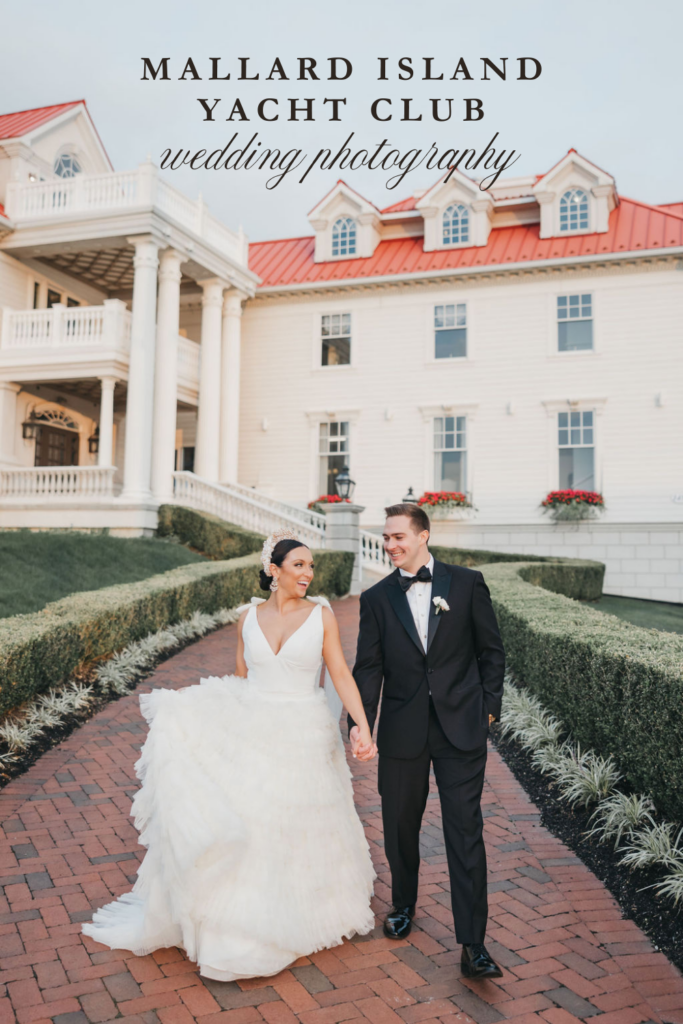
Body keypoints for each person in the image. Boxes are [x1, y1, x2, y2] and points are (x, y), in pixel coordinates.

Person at [83, 528, 377, 982]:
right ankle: (242, 918)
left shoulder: (322, 616)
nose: (308, 573)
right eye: (299, 565)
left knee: (298, 822)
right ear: (273, 571)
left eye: (311, 566)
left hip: (305, 732)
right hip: (255, 731)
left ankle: (299, 911)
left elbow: (339, 670)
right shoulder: (248, 618)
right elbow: (239, 679)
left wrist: (360, 724)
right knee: (254, 823)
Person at [349, 503, 505, 980]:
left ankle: (473, 943)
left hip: (461, 729)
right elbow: (368, 667)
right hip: (402, 730)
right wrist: (360, 723)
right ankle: (402, 905)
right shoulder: (375, 599)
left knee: (465, 832)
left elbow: (491, 652)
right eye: (385, 537)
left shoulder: (466, 583)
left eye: (398, 536)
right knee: (399, 826)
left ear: (424, 536)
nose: (390, 544)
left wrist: (488, 712)